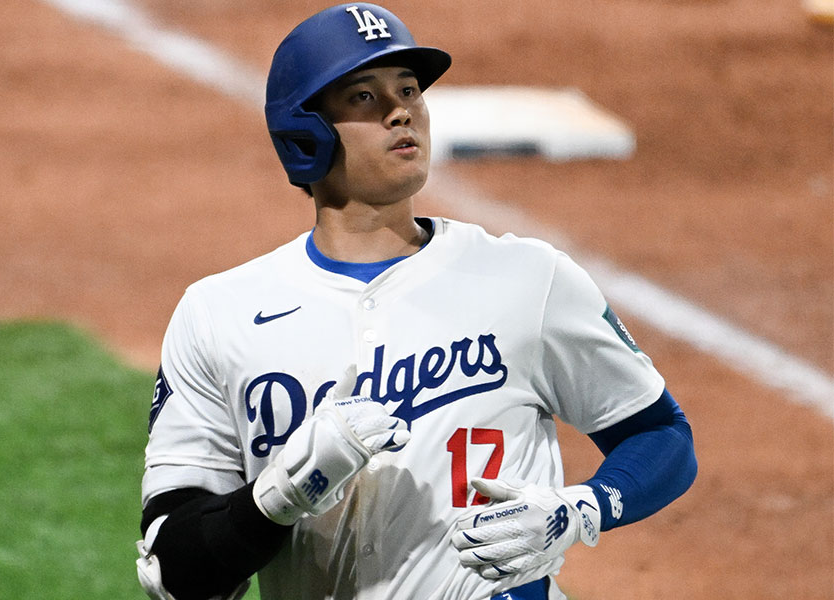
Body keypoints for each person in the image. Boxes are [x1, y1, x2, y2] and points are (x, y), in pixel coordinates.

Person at [135, 4, 698, 600]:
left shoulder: (527, 279)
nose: (402, 109)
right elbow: (174, 576)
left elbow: (663, 435)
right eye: (363, 97)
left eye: (408, 89)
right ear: (306, 135)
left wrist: (578, 509)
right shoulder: (219, 314)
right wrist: (280, 495)